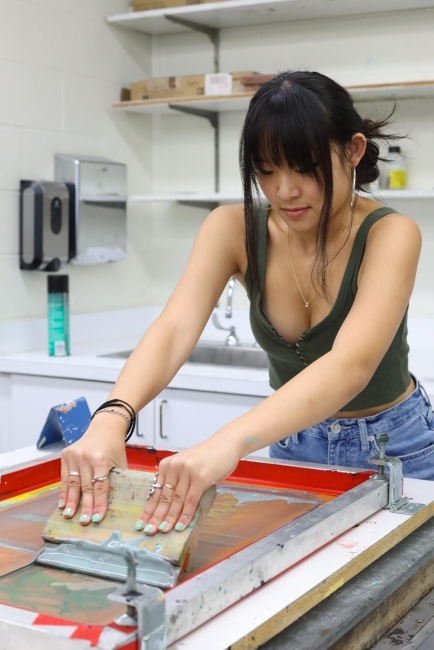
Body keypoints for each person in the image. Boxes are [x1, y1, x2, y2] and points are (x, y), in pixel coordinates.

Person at [59, 70, 434, 537]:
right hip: (292, 441)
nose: (285, 191)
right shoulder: (230, 228)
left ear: (353, 151)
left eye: (305, 168)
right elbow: (175, 327)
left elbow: (349, 366)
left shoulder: (391, 234)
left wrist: (227, 442)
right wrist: (113, 416)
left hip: (395, 446)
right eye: (266, 171)